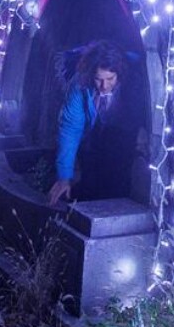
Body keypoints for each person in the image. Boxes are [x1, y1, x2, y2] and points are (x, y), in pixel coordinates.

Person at [47, 42, 129, 206]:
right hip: (90, 135)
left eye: (110, 79)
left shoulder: (131, 87)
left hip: (119, 139)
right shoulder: (79, 85)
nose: (104, 86)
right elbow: (70, 129)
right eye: (98, 79)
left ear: (119, 75)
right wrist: (64, 177)